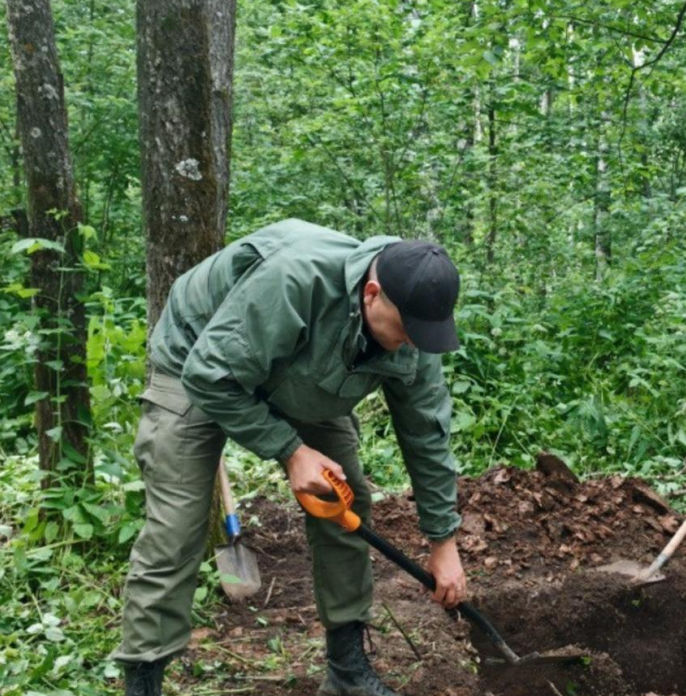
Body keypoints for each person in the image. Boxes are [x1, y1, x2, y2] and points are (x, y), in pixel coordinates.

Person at [115, 219, 467, 696]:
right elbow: (209, 374)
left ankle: (347, 673)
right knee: (176, 529)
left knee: (345, 502)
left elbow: (426, 432)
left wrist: (443, 540)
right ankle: (142, 684)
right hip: (198, 360)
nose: (412, 342)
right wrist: (291, 450)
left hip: (307, 371)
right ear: (372, 294)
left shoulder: (414, 323)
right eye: (406, 330)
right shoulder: (295, 280)